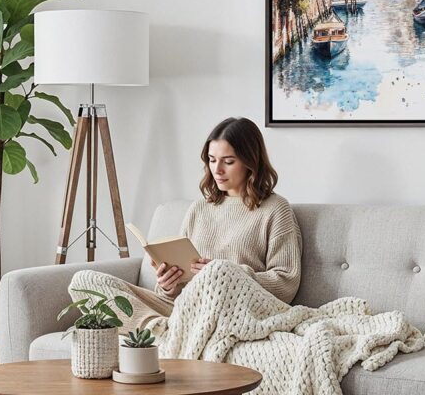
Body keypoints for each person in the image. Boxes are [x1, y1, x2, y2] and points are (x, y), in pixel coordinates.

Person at [68, 116, 302, 335]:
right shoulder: (199, 208)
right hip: (184, 309)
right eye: (212, 160)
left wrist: (226, 273)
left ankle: (166, 334)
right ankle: (159, 330)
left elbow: (286, 284)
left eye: (228, 162)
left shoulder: (275, 209)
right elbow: (173, 295)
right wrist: (169, 285)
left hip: (235, 311)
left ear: (251, 162)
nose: (217, 170)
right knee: (84, 280)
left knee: (219, 271)